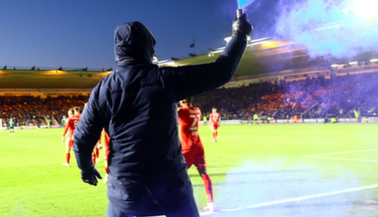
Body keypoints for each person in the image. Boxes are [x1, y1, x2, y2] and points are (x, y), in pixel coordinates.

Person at [73, 14, 252, 217]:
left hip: (126, 188)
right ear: (147, 47)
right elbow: (222, 71)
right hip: (170, 186)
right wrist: (239, 35)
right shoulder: (165, 80)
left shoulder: (102, 90)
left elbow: (82, 138)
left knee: (120, 206)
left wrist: (86, 167)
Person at [178, 98, 214, 212]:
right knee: (204, 174)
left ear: (183, 101)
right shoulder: (197, 110)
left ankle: (180, 203)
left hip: (188, 147)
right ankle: (211, 203)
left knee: (177, 176)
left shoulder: (181, 112)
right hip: (198, 145)